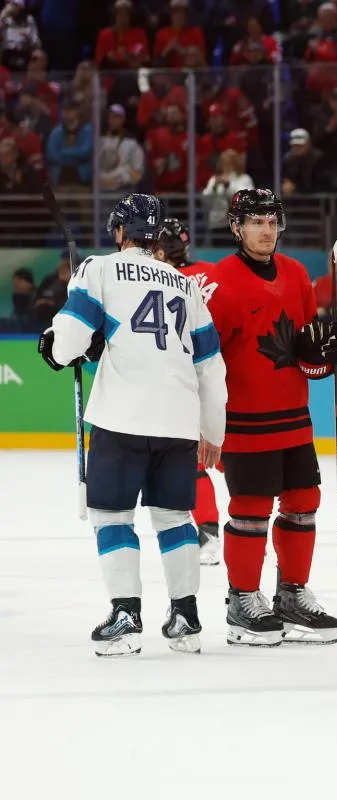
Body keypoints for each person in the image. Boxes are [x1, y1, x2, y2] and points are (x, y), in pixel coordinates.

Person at [37, 194, 227, 656]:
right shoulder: (186, 285)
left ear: (119, 231)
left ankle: (125, 615)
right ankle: (186, 617)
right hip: (179, 421)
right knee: (174, 518)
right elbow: (211, 367)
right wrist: (213, 432)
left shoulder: (97, 269)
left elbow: (69, 339)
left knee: (112, 517)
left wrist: (56, 349)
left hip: (122, 416)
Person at [206, 188, 337, 646]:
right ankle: (242, 600)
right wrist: (206, 424)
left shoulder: (295, 275)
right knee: (250, 511)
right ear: (237, 228)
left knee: (304, 502)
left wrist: (327, 356)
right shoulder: (220, 282)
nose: (267, 231)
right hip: (243, 420)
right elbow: (204, 360)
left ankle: (291, 594)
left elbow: (306, 356)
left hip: (293, 418)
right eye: (256, 222)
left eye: (272, 222)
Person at [155, 217, 221, 565]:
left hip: (190, 379)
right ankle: (254, 528)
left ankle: (210, 535)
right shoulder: (213, 271)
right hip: (222, 376)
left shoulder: (162, 279)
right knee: (234, 460)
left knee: (196, 460)